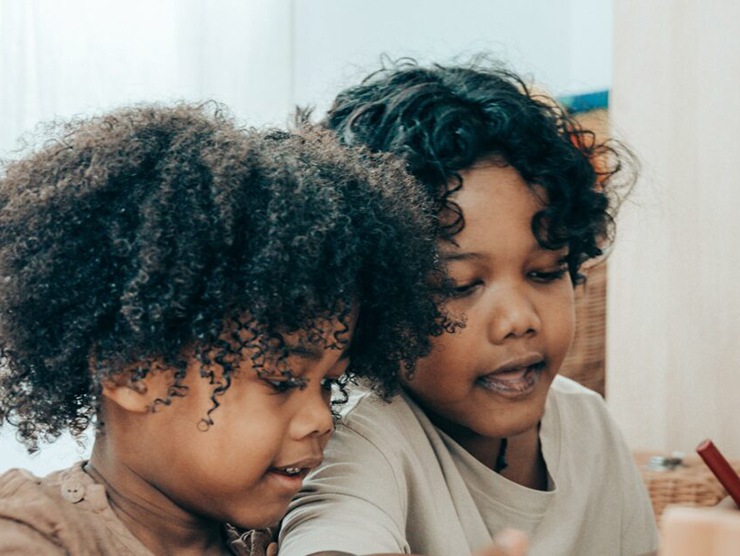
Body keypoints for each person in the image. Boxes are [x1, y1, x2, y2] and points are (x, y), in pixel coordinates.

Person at [0, 104, 451, 555]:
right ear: (131, 372)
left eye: (328, 385)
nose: (319, 420)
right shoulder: (31, 537)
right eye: (281, 380)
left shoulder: (277, 541)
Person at [278, 59, 660, 556]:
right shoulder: (361, 434)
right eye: (459, 284)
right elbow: (331, 536)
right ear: (375, 299)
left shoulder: (587, 421)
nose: (518, 320)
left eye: (545, 272)